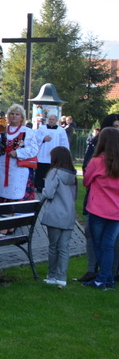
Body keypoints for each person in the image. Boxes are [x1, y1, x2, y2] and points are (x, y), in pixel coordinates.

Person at [78, 114, 119, 284]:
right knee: (109, 245)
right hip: (116, 211)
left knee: (98, 244)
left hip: (98, 209)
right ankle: (107, 278)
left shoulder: (96, 162)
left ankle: (103, 278)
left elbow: (86, 181)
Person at [39, 147, 77, 288]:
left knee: (53, 247)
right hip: (69, 214)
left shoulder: (54, 172)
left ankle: (52, 275)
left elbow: (49, 193)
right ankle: (62, 277)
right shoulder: (73, 176)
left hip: (55, 214)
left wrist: (43, 190)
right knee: (64, 247)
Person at [0, 104, 39, 203]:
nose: (14, 116)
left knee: (16, 193)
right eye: (12, 114)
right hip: (2, 167)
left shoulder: (27, 132)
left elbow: (33, 149)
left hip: (18, 168)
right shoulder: (2, 130)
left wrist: (18, 153)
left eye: (17, 114)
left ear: (22, 117)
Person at [34, 112, 70, 194]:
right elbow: (35, 138)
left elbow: (64, 143)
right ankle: (39, 186)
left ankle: (52, 187)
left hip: (55, 156)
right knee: (41, 171)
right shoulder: (42, 128)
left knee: (52, 173)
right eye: (50, 119)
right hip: (42, 155)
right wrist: (43, 138)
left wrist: (64, 154)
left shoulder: (61, 131)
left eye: (53, 119)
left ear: (56, 120)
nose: (51, 121)